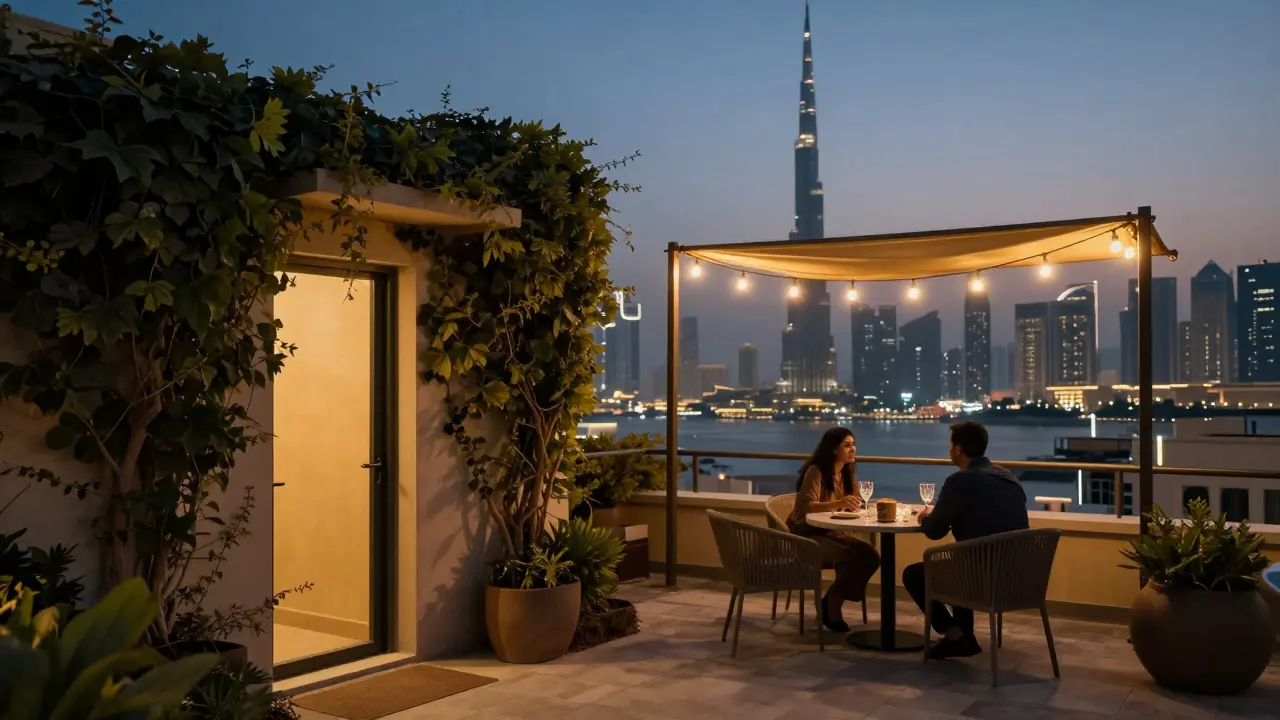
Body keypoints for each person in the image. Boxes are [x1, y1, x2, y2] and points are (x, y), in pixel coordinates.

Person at [902, 421, 1029, 660]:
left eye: (950, 444)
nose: (949, 449)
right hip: (1018, 575)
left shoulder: (960, 481)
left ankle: (955, 635)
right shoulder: (1008, 476)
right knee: (961, 560)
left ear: (958, 448)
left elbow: (935, 532)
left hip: (981, 577)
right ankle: (964, 638)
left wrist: (926, 518)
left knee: (915, 574)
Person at [786, 427, 881, 633]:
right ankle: (835, 604)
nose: (852, 449)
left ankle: (831, 599)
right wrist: (838, 503)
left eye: (853, 444)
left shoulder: (846, 472)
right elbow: (808, 506)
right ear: (833, 449)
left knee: (871, 555)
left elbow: (849, 503)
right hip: (807, 533)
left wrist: (851, 505)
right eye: (847, 445)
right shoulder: (817, 470)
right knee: (852, 556)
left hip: (830, 531)